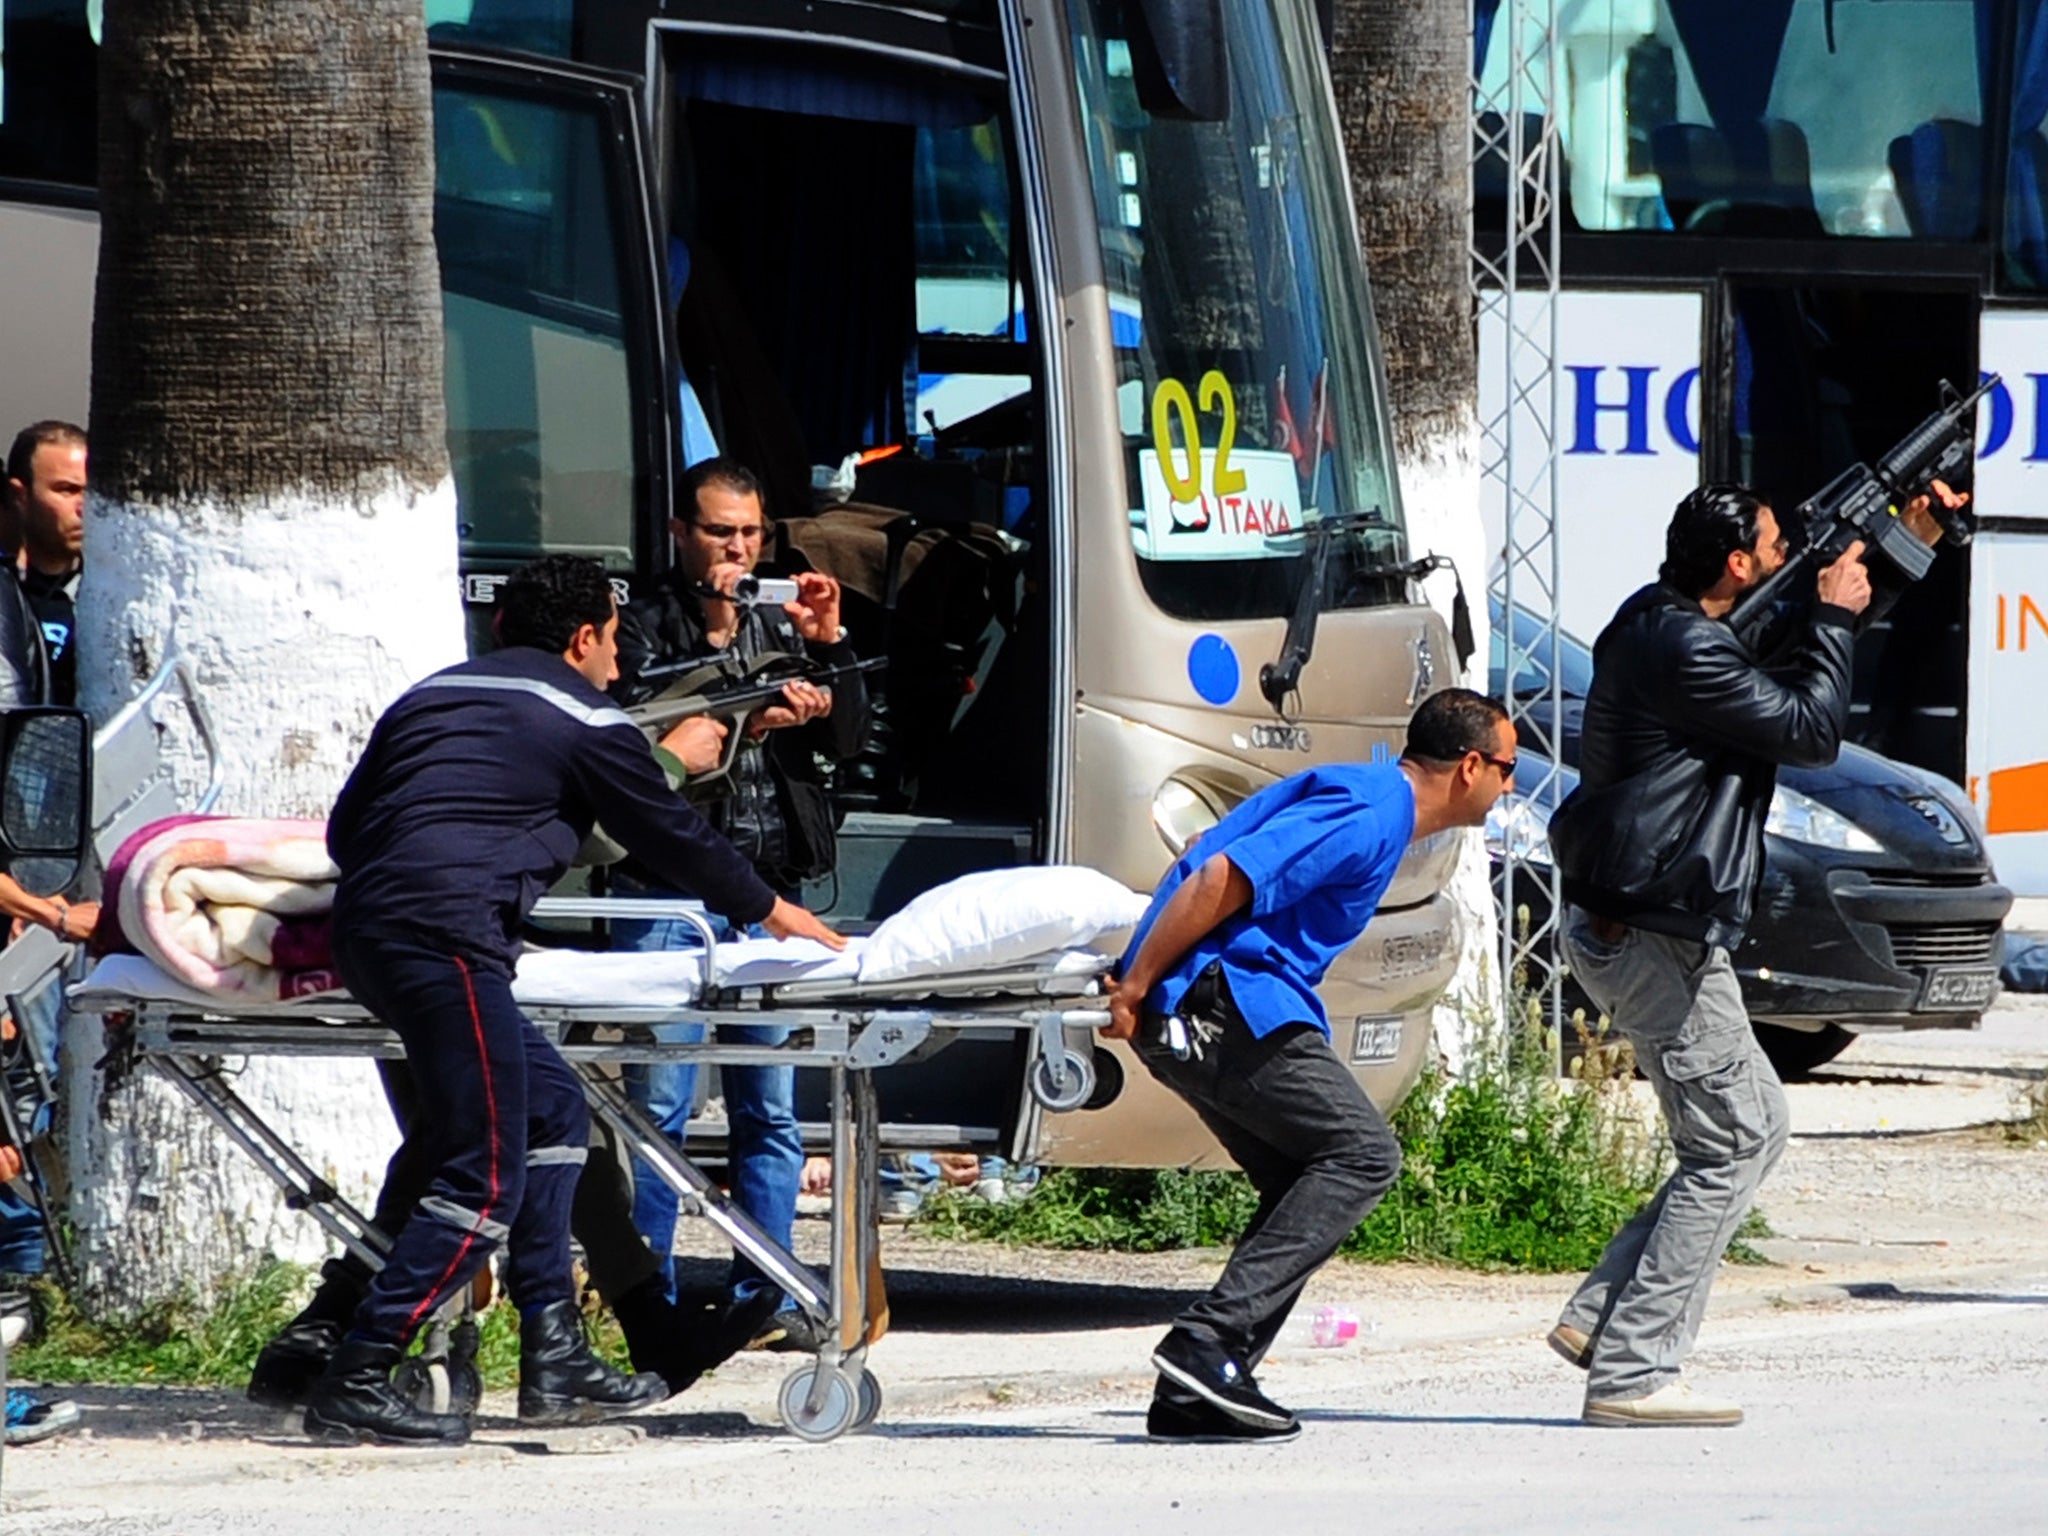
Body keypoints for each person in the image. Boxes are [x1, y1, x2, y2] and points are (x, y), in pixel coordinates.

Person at [303, 554, 843, 1446]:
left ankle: (554, 1354)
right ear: (585, 636)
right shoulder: (587, 716)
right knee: (482, 1174)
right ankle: (357, 1371)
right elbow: (665, 833)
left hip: (370, 933)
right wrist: (774, 910)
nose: (622, 663)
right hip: (448, 942)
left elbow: (345, 827)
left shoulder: (430, 696)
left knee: (554, 1112)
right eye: (615, 642)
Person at [1545, 479, 1961, 1428]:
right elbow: (1811, 726)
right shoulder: (1683, 644)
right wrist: (1835, 617)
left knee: (1744, 1130)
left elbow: (1803, 636)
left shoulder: (1665, 621)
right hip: (1649, 928)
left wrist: (1910, 537)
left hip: (1656, 919)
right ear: (1738, 564)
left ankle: (1601, 1315)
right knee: (1734, 1140)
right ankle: (1633, 1372)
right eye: (1777, 545)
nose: (1789, 553)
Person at [1104, 688, 1519, 1443]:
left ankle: (1199, 1390)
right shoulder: (1365, 810)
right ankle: (1208, 1343)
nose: (1510, 785)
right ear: (1469, 768)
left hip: (1220, 1006)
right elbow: (1218, 878)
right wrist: (1136, 987)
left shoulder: (1377, 810)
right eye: (1507, 767)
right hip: (1221, 1005)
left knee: (1305, 1177)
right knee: (1361, 1157)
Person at [611, 455, 869, 1355]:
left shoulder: (781, 619)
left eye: (752, 533)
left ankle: (773, 1292)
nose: (740, 547)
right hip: (667, 895)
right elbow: (643, 726)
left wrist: (828, 648)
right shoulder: (639, 623)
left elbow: (849, 735)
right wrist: (726, 635)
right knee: (660, 1104)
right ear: (681, 533)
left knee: (771, 1109)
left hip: (766, 892)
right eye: (722, 532)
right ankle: (645, 1296)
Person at [4, 420, 85, 705]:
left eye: (90, 490)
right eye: (66, 490)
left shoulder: (115, 595)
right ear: (20, 495)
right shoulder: (8, 596)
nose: (83, 506)